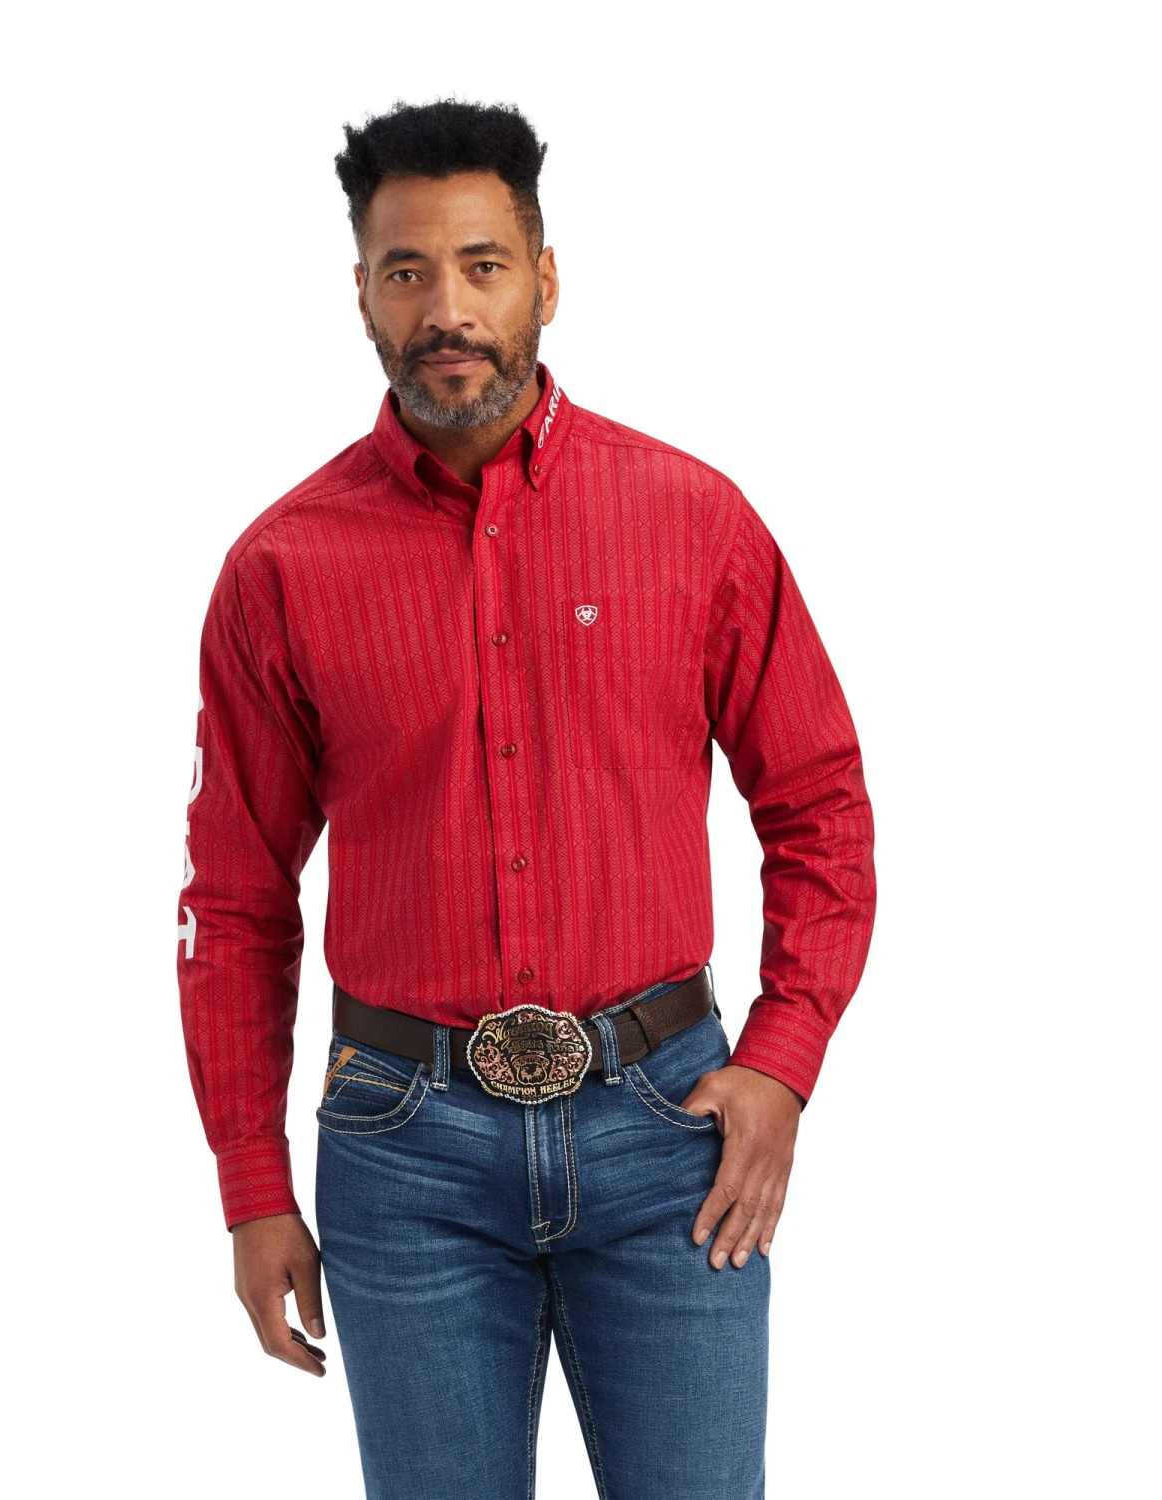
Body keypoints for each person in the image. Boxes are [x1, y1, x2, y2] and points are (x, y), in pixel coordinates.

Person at [177, 97, 876, 1500]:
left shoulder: (694, 521)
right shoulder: (282, 568)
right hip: (404, 1157)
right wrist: (253, 1183)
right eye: (407, 271)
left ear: (546, 280)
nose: (448, 309)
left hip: (671, 1137)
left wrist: (783, 1059)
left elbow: (820, 807)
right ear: (362, 295)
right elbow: (235, 898)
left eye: (483, 266)